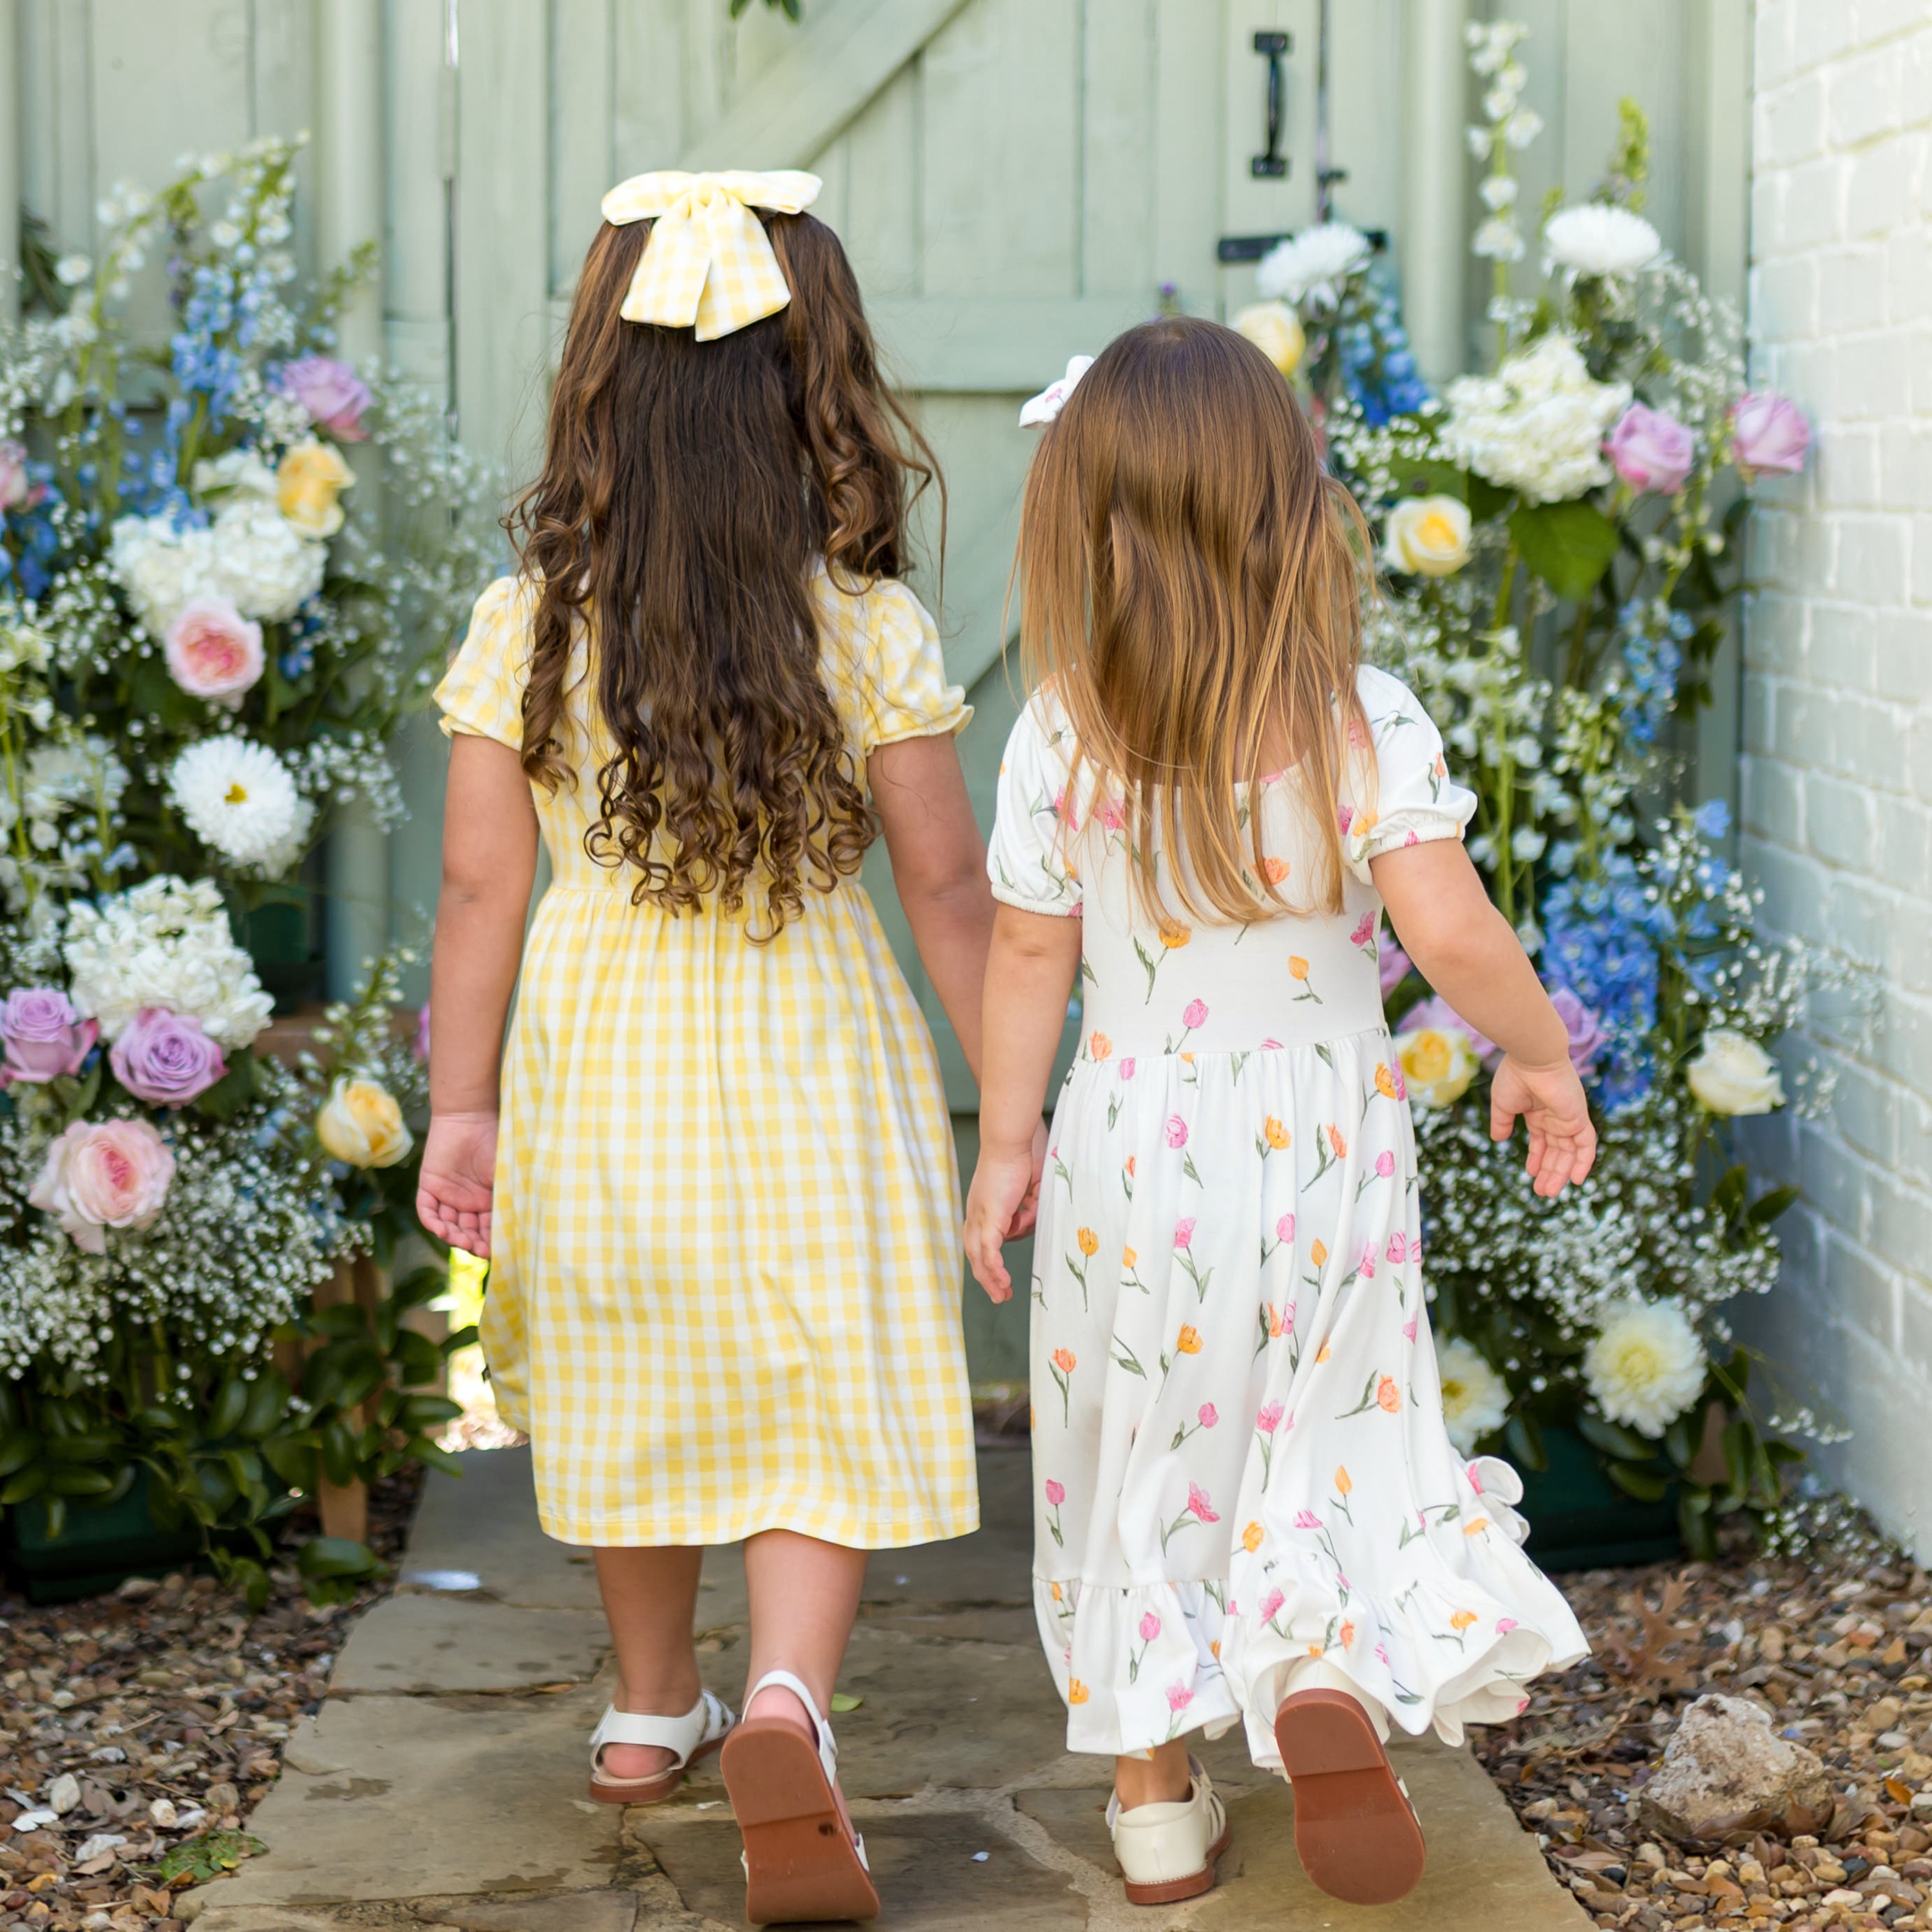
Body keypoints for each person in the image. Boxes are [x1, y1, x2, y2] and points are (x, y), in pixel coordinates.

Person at [419, 170, 1007, 1926]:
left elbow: (471, 886)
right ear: (811, 382)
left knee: (640, 1371)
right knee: (814, 1387)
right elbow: (951, 886)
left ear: (602, 383)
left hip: (605, 1065)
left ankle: (645, 1703)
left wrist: (463, 1103)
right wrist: (1025, 1113)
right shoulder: (866, 624)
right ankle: (786, 1707)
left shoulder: (529, 624)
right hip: (816, 1049)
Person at [963, 317, 1594, 1909]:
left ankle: (1157, 1808)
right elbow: (1446, 932)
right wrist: (1538, 1053)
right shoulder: (1356, 715)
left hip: (1129, 1136)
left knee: (1136, 1443)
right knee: (1322, 1425)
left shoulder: (1062, 727)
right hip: (1325, 1137)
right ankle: (1315, 1677)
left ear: (1081, 514)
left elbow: (1032, 949)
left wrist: (1008, 1138)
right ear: (1289, 507)